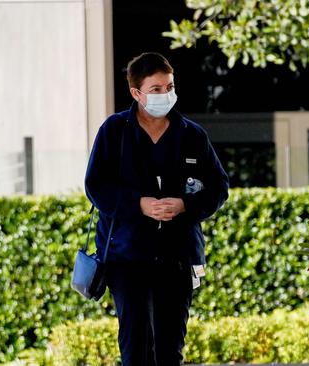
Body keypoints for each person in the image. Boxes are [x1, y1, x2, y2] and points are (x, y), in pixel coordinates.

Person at [85, 52, 229, 366]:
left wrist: (185, 205)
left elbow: (219, 187)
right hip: (126, 256)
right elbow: (95, 185)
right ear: (136, 93)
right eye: (156, 89)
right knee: (135, 346)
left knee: (169, 348)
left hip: (177, 257)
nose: (165, 95)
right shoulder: (114, 131)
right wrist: (139, 204)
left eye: (169, 87)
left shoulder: (192, 135)